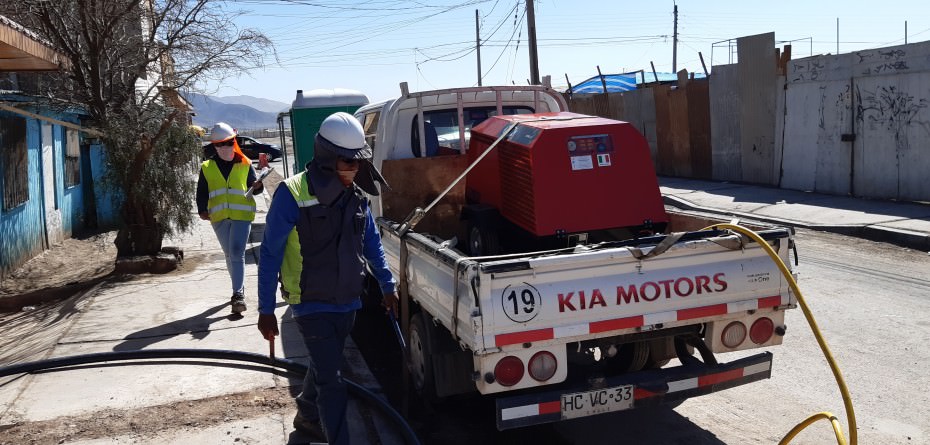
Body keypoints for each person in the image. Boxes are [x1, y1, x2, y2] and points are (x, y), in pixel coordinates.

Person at [256, 112, 398, 445]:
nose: (354, 168)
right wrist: (266, 309)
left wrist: (388, 285)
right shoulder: (292, 194)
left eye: (357, 162)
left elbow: (371, 243)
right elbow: (270, 254)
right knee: (333, 382)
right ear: (327, 158)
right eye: (347, 162)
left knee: (325, 366)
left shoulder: (356, 194)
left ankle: (306, 413)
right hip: (310, 303)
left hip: (348, 300)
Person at [196, 122, 263, 314]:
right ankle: (238, 287)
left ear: (234, 141)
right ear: (214, 146)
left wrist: (258, 187)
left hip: (242, 215)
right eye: (219, 144)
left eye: (227, 143)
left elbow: (253, 188)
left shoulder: (245, 163)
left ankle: (238, 295)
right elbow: (201, 191)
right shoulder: (207, 167)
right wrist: (202, 209)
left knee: (236, 253)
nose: (223, 147)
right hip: (218, 217)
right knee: (229, 254)